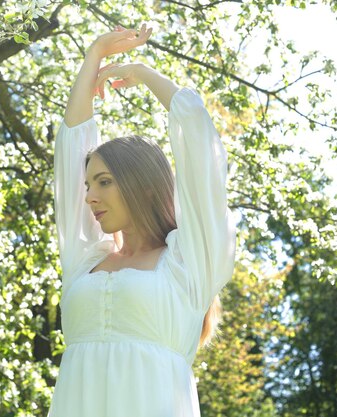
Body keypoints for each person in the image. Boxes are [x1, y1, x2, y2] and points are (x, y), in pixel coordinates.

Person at [50, 23, 237, 417]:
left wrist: (143, 74)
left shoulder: (187, 264)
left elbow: (200, 144)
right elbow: (70, 146)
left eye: (104, 182)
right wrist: (94, 54)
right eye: (88, 184)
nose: (89, 196)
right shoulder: (83, 261)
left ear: (145, 186)